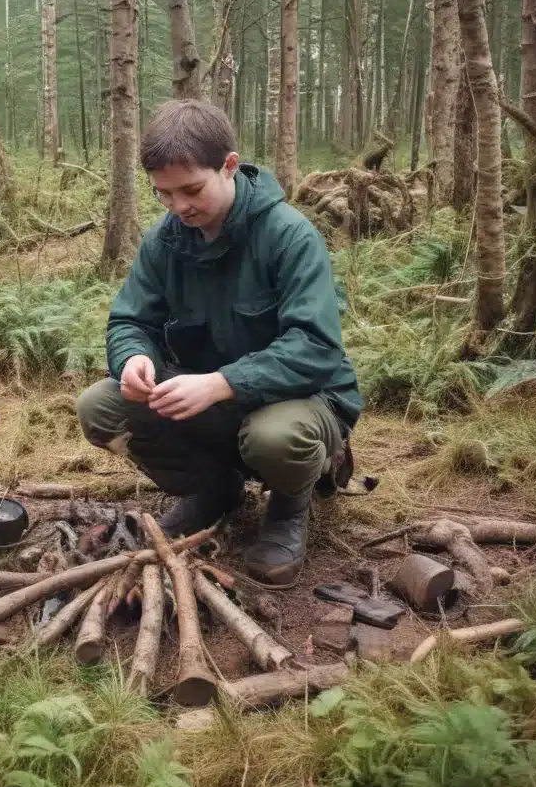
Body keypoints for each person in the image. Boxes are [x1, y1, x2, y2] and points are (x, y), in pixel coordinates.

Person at [77, 100, 363, 588]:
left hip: (301, 401)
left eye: (191, 190)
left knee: (276, 437)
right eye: (163, 194)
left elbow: (316, 346)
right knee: (102, 407)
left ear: (229, 166)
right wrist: (134, 358)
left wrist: (223, 382)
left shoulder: (289, 236)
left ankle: (291, 506)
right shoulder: (165, 241)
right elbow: (129, 319)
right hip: (208, 401)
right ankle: (214, 490)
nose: (178, 206)